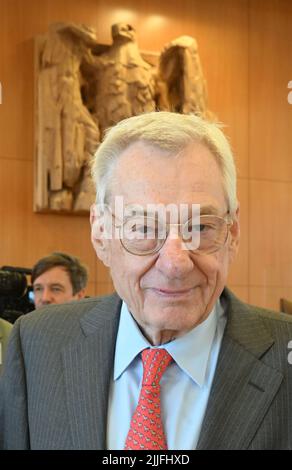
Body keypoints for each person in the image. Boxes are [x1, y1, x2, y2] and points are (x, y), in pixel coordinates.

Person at [1, 112, 292, 450]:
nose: (175, 264)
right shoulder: (36, 344)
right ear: (101, 233)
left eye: (199, 227)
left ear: (233, 232)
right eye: (142, 228)